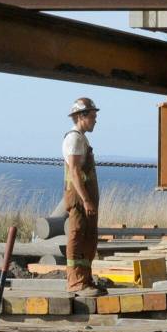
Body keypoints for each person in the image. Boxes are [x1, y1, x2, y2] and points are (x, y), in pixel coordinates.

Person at [61, 97, 106, 296]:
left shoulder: (82, 138)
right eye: (93, 117)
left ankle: (85, 279)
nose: (95, 120)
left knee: (89, 238)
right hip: (79, 197)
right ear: (81, 116)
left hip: (85, 196)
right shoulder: (74, 139)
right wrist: (86, 199)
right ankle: (76, 282)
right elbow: (75, 172)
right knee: (78, 235)